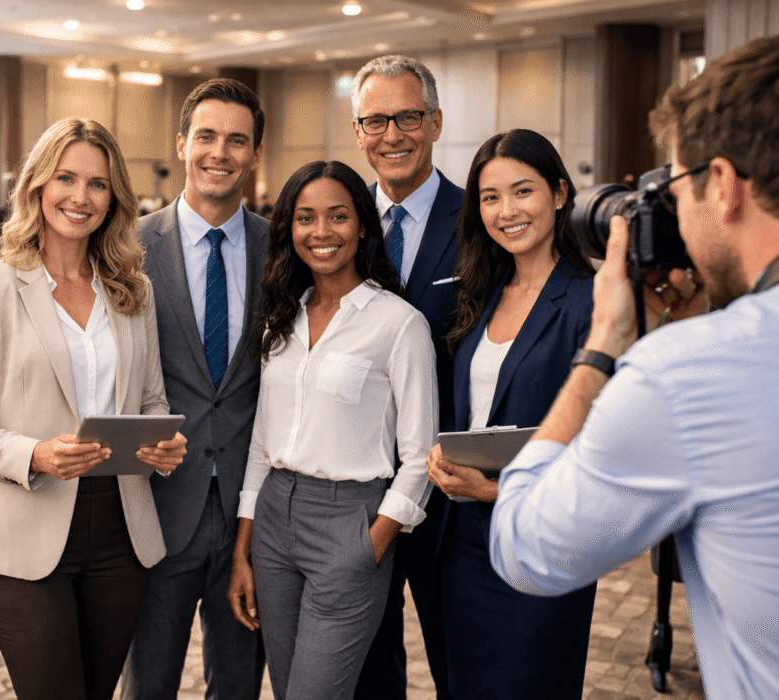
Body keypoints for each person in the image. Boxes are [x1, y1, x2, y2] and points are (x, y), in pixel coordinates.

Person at [488, 35, 779, 700]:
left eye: (674, 186)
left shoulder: (686, 372)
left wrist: (604, 345)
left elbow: (528, 549)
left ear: (721, 185)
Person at [0, 117, 187, 700]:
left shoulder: (134, 290)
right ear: (38, 185)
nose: (81, 196)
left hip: (121, 531)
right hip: (23, 528)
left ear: (114, 198)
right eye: (66, 178)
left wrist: (163, 445)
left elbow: (153, 401)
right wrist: (34, 454)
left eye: (98, 184)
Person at [228, 160, 438, 700]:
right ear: (289, 228)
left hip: (350, 523)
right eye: (305, 218)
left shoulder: (399, 323)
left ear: (363, 225)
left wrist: (373, 544)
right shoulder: (282, 317)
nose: (321, 232)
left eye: (338, 216)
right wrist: (243, 549)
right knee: (287, 689)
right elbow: (261, 443)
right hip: (273, 523)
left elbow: (421, 456)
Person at [425, 129, 596, 698]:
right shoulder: (484, 289)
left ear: (560, 193)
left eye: (523, 191)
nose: (506, 211)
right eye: (490, 197)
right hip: (463, 544)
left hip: (541, 540)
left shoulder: (591, 300)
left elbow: (601, 451)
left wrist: (494, 490)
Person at [122, 77, 267, 700]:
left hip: (250, 517)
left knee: (237, 685)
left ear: (255, 154)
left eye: (237, 140)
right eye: (206, 136)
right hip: (157, 506)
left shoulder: (282, 248)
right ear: (182, 144)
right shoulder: (126, 246)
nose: (220, 152)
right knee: (147, 684)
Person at [349, 54, 460, 700]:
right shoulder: (336, 225)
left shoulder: (479, 221)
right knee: (368, 668)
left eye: (408, 117)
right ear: (358, 132)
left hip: (450, 491)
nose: (392, 135)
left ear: (436, 123)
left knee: (458, 661)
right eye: (376, 121)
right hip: (356, 490)